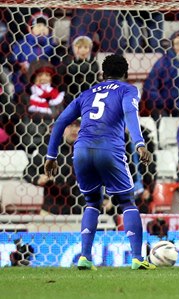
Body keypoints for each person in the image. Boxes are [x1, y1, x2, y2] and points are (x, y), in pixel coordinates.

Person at [44, 54, 156, 270]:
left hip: (81, 150)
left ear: (102, 74)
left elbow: (60, 122)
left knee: (92, 203)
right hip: (109, 149)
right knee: (126, 202)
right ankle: (136, 258)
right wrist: (139, 143)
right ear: (125, 74)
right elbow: (130, 112)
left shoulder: (86, 94)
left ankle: (85, 257)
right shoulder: (128, 89)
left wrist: (51, 155)